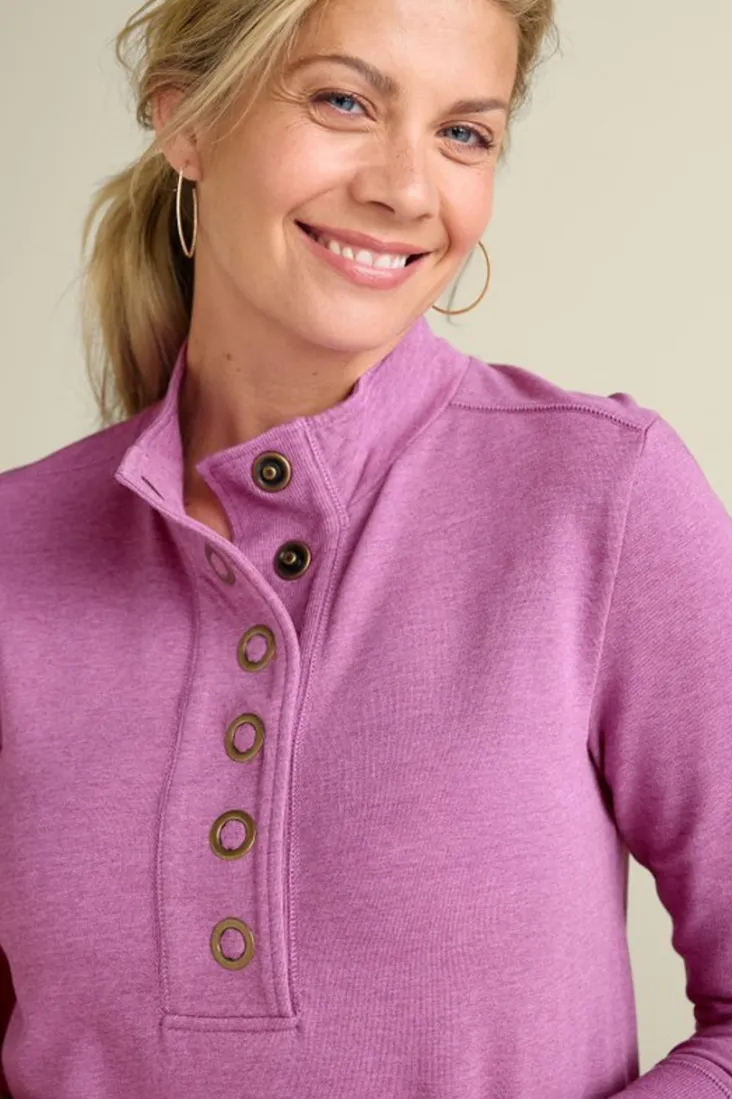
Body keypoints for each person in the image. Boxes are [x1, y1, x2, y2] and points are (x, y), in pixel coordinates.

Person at [1, 0, 731, 1096]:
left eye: (464, 133)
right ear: (186, 121)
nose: (406, 188)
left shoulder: (603, 500)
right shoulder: (15, 548)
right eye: (344, 101)